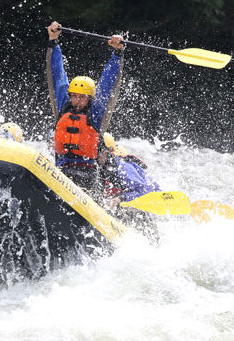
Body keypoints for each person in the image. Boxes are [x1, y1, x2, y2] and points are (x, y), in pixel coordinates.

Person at [46, 21, 124, 189]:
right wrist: (53, 41)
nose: (76, 101)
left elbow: (107, 83)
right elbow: (57, 75)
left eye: (81, 97)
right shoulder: (63, 108)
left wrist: (117, 53)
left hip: (88, 177)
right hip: (61, 171)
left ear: (90, 98)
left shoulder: (96, 113)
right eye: (74, 96)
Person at [97, 132, 161, 244]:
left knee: (126, 209)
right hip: (124, 203)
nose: (95, 156)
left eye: (98, 153)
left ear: (108, 152)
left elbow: (144, 191)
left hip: (143, 205)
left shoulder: (123, 168)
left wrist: (120, 198)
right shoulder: (102, 166)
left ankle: (150, 242)